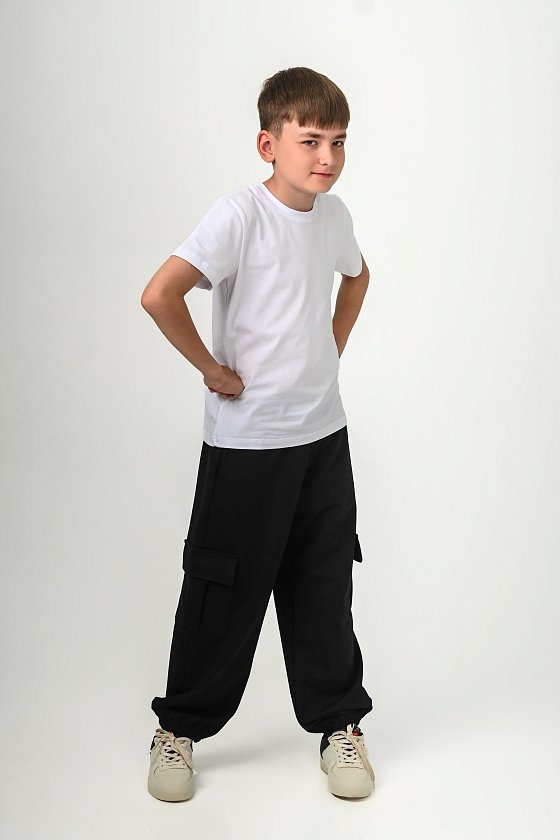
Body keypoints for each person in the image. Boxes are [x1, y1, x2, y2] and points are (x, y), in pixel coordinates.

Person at [140, 66, 376, 802]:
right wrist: (212, 369)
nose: (327, 157)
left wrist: (329, 350)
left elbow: (357, 278)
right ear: (268, 144)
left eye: (339, 141)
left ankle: (339, 725)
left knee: (323, 582)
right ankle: (178, 730)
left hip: (322, 438)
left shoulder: (333, 217)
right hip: (246, 446)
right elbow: (160, 293)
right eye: (311, 141)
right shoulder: (239, 216)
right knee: (223, 588)